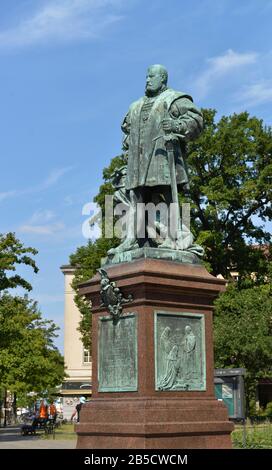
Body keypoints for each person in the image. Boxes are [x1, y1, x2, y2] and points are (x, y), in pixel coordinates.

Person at [108, 64, 203, 255]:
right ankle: (131, 239)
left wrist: (176, 125)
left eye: (152, 77)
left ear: (163, 80)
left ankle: (172, 237)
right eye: (146, 77)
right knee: (136, 197)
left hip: (162, 155)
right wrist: (128, 148)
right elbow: (127, 132)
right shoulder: (135, 106)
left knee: (166, 195)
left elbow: (196, 120)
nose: (147, 80)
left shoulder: (174, 99)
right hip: (138, 160)